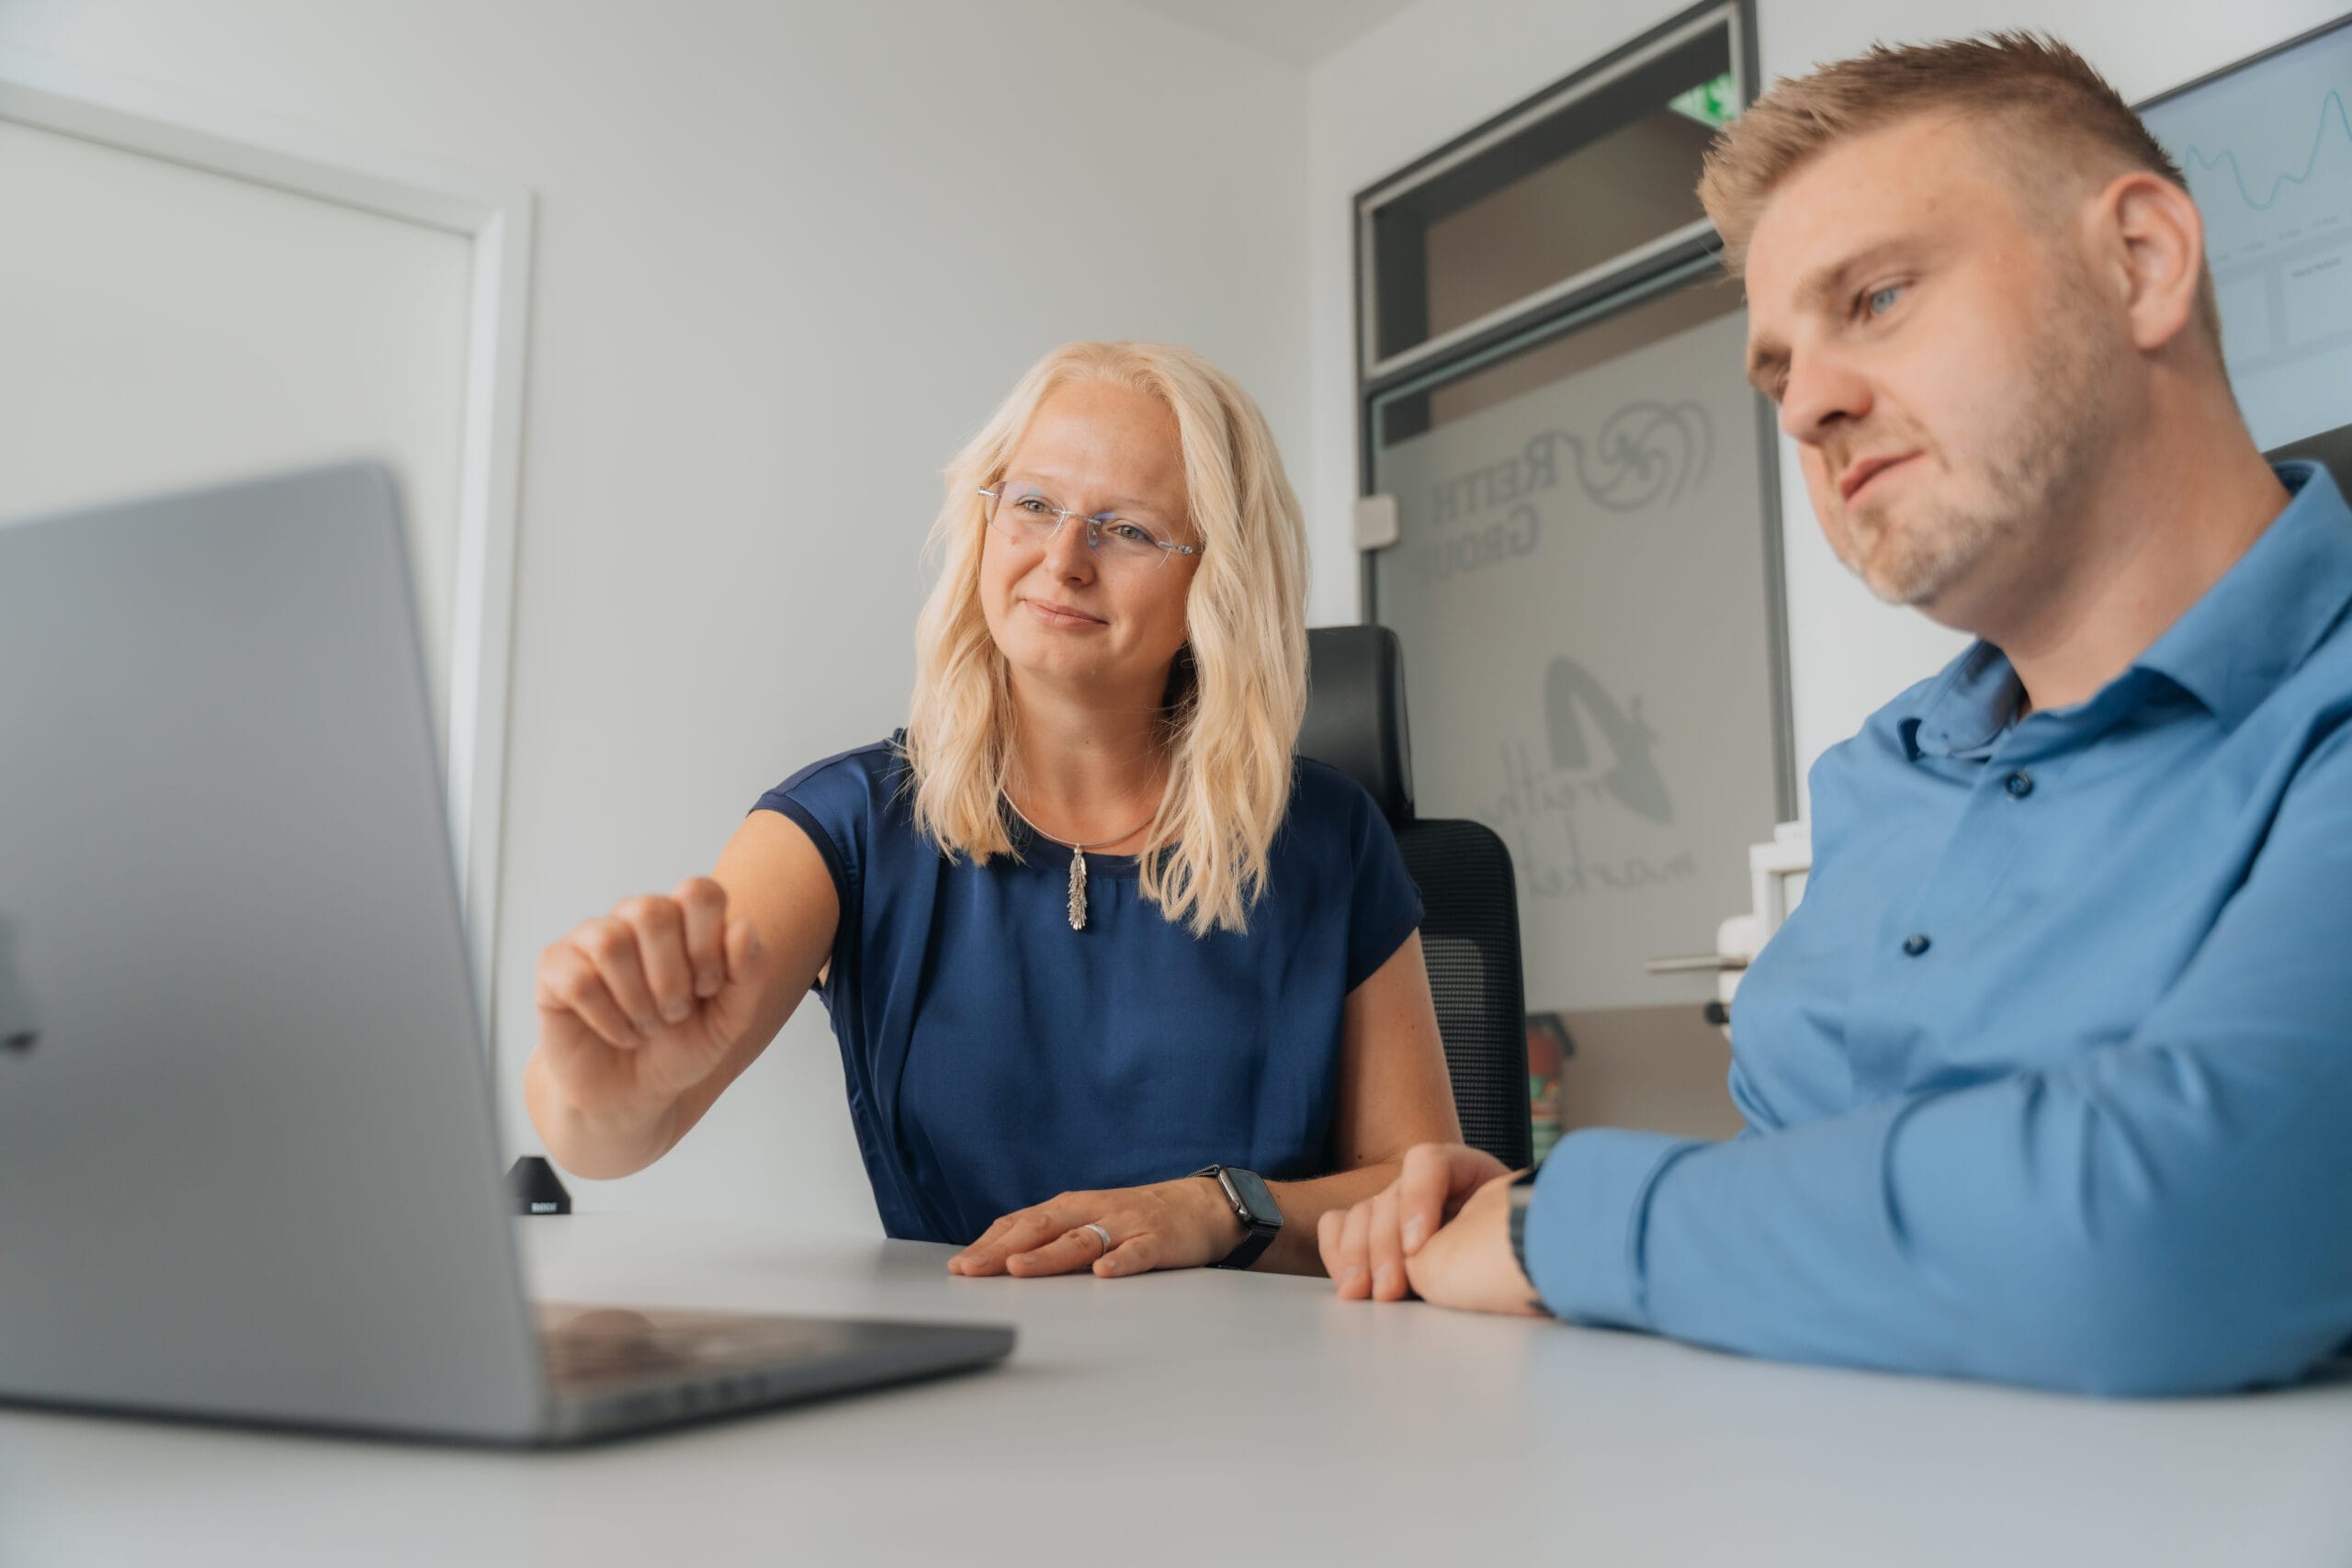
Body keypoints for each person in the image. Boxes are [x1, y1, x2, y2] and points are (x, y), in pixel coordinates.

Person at [1318, 33, 2352, 1396]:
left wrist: (1551, 1222)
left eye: (1875, 298)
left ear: (2143, 261)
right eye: (1774, 369)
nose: (1808, 403)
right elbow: (1806, 1209)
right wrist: (1502, 1210)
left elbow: (2162, 1232)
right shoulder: (1884, 776)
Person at [526, 341, 1463, 1280]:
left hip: (1279, 1391)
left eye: (1129, 530)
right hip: (967, 1388)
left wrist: (1218, 1209)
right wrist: (596, 1093)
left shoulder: (1327, 837)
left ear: (1217, 579)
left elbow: (1428, 1194)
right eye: (1033, 505)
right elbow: (610, 1138)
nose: (1063, 560)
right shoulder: (845, 824)